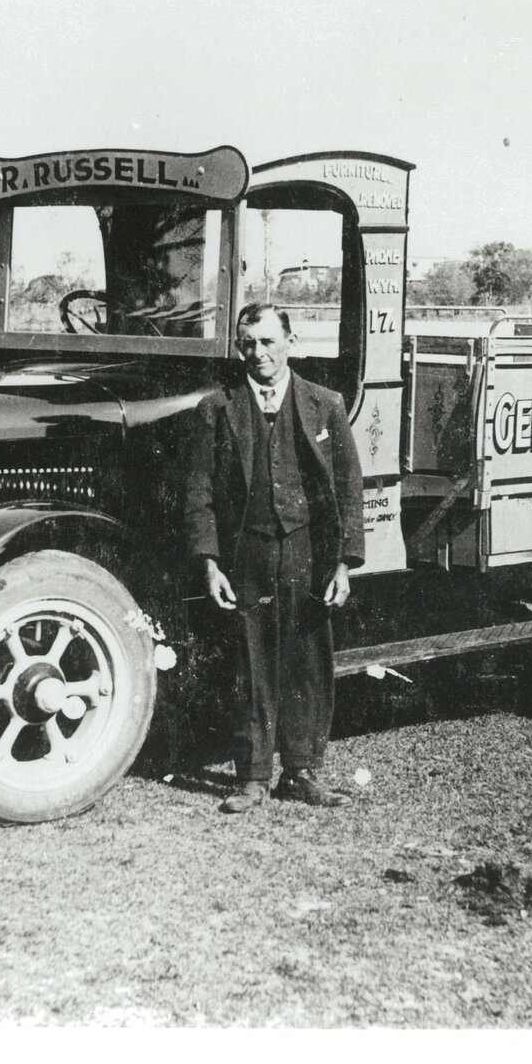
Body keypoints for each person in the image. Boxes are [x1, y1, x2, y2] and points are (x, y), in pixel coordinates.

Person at [183, 303, 366, 814]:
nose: (258, 353)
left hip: (308, 553)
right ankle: (253, 776)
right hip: (249, 554)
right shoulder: (218, 408)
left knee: (308, 661)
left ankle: (302, 771)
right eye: (248, 344)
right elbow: (199, 492)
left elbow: (350, 488)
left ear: (290, 341)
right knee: (251, 662)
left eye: (267, 341)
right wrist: (210, 562)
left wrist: (345, 563)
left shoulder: (324, 404)